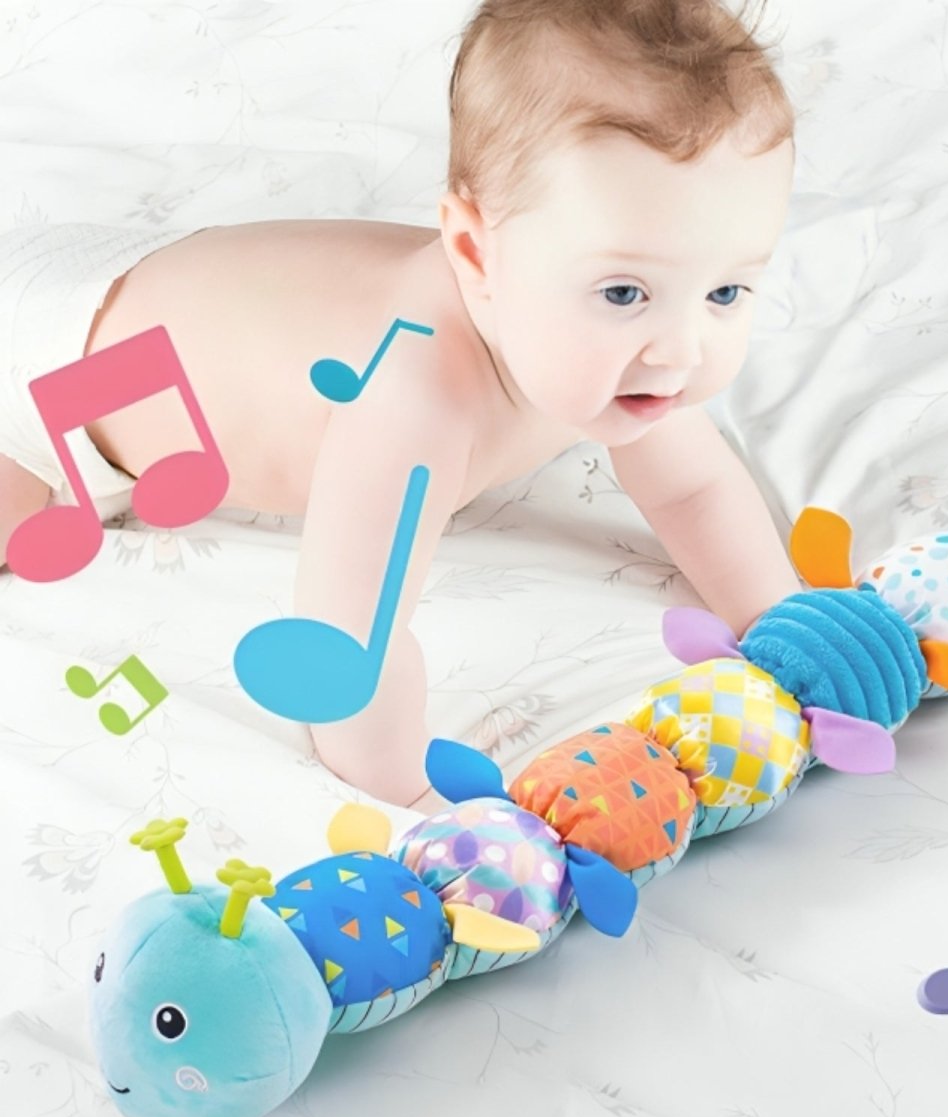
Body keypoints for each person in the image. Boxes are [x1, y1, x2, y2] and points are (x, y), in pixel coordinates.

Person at [0, 0, 803, 808]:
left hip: (139, 281)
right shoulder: (414, 400)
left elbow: (693, 488)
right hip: (51, 380)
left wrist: (790, 630)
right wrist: (411, 801)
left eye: (725, 291)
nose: (683, 349)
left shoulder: (600, 343)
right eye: (624, 291)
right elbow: (349, 639)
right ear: (473, 252)